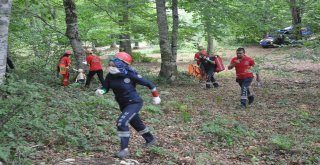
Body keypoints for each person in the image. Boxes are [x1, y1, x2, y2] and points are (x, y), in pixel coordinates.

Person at [95, 52, 160, 159]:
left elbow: (149, 84)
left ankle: (124, 149)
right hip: (123, 104)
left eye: (114, 65)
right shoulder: (110, 76)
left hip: (134, 102)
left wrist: (156, 96)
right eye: (110, 65)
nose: (111, 67)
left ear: (122, 65)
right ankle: (150, 139)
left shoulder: (130, 74)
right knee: (136, 123)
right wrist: (101, 91)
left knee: (121, 122)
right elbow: (105, 87)